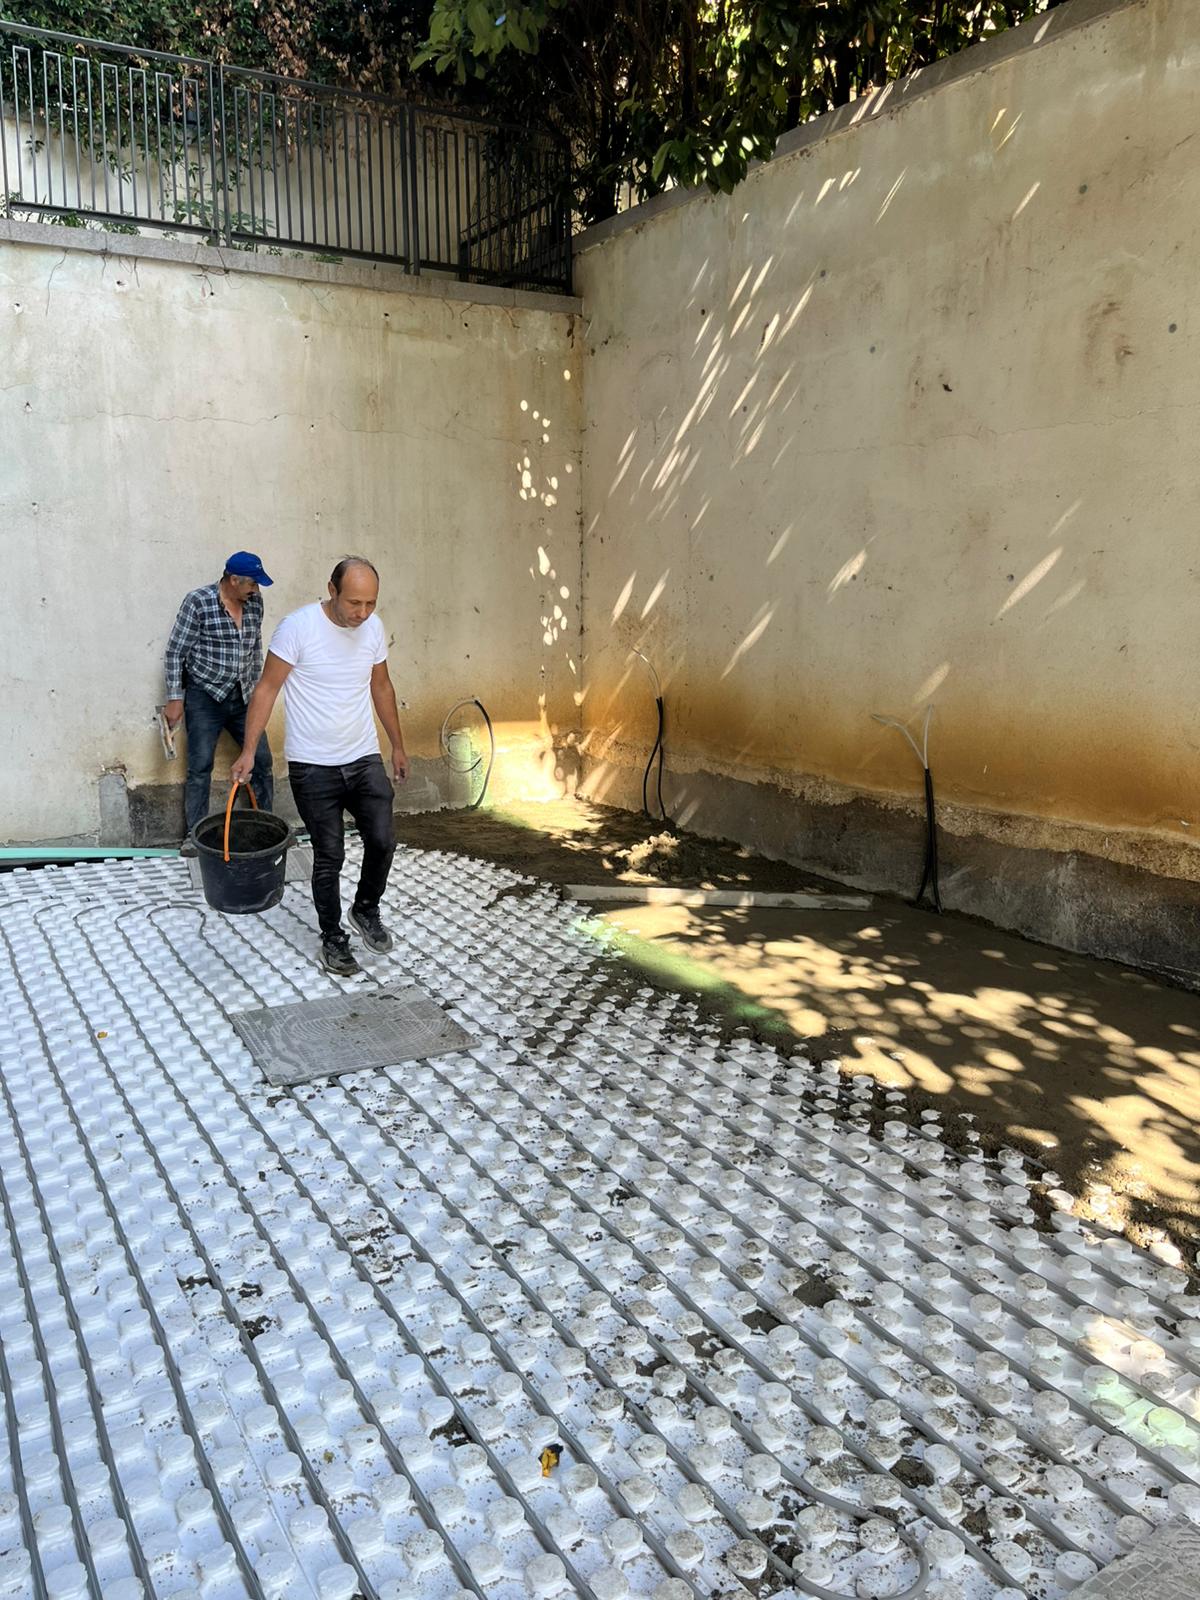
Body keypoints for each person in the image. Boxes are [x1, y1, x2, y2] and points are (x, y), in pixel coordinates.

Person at [231, 556, 408, 976]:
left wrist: (397, 745)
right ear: (332, 590)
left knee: (383, 840)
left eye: (370, 603)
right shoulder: (298, 628)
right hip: (313, 766)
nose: (362, 613)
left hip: (363, 757)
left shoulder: (373, 629)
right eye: (354, 602)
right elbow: (267, 689)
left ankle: (365, 908)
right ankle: (333, 937)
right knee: (330, 854)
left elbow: (381, 686)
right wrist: (249, 750)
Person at [164, 552, 275, 832]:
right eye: (252, 583)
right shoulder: (198, 601)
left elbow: (255, 648)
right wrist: (175, 698)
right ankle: (195, 835)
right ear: (234, 580)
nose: (256, 590)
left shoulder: (255, 603)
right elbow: (176, 652)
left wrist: (258, 691)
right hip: (205, 695)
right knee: (200, 766)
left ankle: (266, 828)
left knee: (261, 760)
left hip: (244, 695)